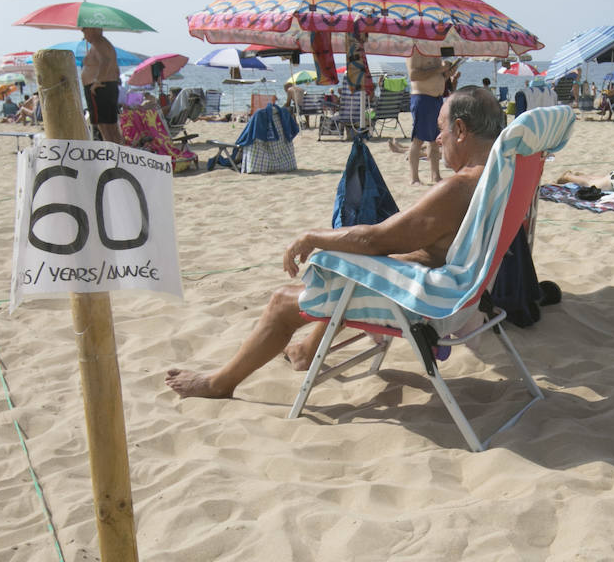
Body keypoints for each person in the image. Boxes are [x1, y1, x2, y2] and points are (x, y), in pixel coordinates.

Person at [166, 86, 505, 400]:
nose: (437, 136)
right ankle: (306, 350)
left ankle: (218, 383)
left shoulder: (458, 188)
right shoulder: (501, 176)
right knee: (352, 269)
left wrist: (311, 238)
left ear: (461, 130)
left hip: (428, 305)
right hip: (464, 291)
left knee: (284, 303)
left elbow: (373, 240)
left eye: (442, 127)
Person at [406, 52, 459, 184]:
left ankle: (435, 175)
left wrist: (448, 73)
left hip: (437, 99)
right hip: (422, 97)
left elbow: (438, 76)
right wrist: (440, 69)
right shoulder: (415, 50)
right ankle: (414, 178)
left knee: (435, 141)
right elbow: (414, 75)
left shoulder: (434, 50)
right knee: (418, 140)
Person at [80, 26, 122, 143]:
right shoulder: (104, 43)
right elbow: (115, 68)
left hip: (100, 87)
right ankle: (117, 153)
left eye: (84, 29)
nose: (83, 32)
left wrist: (97, 80)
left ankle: (111, 155)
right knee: (110, 126)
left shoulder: (99, 42)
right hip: (107, 86)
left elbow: (106, 61)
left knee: (104, 126)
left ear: (93, 29)